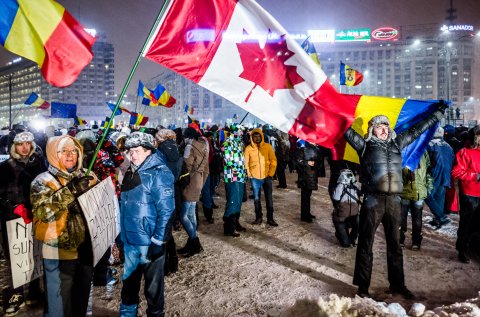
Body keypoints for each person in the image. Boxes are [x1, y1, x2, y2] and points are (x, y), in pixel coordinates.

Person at [343, 104, 445, 299]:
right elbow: (344, 131)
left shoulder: (397, 143)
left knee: (395, 244)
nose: (384, 130)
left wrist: (437, 114)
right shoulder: (364, 146)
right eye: (379, 127)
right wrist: (327, 108)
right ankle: (363, 287)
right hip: (373, 200)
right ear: (372, 129)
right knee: (366, 244)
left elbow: (418, 129)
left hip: (394, 202)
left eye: (386, 127)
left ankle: (398, 285)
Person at [31, 135, 98, 317]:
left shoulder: (88, 175)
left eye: (74, 150)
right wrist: (72, 191)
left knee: (80, 303)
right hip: (59, 252)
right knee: (58, 306)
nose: (70, 155)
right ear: (54, 154)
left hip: (85, 251)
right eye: (64, 151)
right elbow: (42, 212)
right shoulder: (42, 181)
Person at [119, 132, 175, 316]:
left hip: (149, 241)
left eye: (137, 151)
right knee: (129, 284)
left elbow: (167, 211)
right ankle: (127, 313)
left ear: (148, 151)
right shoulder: (131, 171)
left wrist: (158, 241)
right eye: (130, 151)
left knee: (153, 289)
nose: (132, 155)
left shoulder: (159, 173)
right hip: (130, 240)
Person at [0, 131, 46, 315]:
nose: (25, 147)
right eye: (21, 144)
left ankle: (35, 290)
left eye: (28, 143)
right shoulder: (5, 167)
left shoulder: (39, 164)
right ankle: (16, 294)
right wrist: (14, 207)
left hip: (36, 217)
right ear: (14, 147)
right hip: (14, 221)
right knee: (16, 259)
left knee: (35, 254)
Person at [177, 127, 209, 257]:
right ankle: (191, 242)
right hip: (199, 180)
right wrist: (202, 183)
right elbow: (206, 169)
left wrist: (182, 182)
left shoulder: (189, 147)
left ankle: (195, 241)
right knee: (191, 214)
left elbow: (186, 167)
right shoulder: (205, 145)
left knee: (183, 215)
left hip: (190, 182)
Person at [451, 125, 480, 264]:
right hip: (470, 195)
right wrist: (476, 176)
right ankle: (462, 250)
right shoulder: (465, 152)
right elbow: (456, 172)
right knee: (467, 224)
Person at [244, 128, 278, 226]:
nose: (257, 138)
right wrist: (249, 173)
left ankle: (270, 218)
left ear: (262, 136)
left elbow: (273, 160)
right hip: (255, 178)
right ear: (252, 137)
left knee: (269, 199)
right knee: (256, 199)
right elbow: (246, 163)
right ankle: (258, 217)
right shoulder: (248, 148)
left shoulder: (268, 147)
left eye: (259, 136)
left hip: (266, 176)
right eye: (255, 136)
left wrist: (271, 174)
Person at [424, 126, 455, 229]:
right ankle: (437, 220)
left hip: (434, 175)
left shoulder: (429, 144)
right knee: (439, 198)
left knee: (427, 195)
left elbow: (426, 161)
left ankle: (441, 217)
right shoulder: (448, 146)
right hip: (446, 176)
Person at [400, 151, 430, 251]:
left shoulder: (424, 152)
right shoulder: (403, 151)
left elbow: (429, 170)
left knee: (417, 219)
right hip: (404, 192)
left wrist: (428, 186)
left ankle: (416, 242)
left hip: (419, 192)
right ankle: (400, 240)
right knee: (401, 218)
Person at [221, 125, 247, 237]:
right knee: (233, 200)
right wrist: (236, 169)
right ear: (236, 131)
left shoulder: (239, 143)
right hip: (233, 176)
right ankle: (229, 227)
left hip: (241, 176)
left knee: (238, 200)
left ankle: (236, 222)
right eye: (241, 131)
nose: (242, 133)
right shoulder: (228, 143)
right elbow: (228, 160)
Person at [295, 139, 320, 222]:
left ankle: (307, 213)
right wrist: (307, 163)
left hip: (311, 176)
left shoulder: (316, 149)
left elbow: (318, 162)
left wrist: (316, 164)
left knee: (308, 196)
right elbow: (298, 161)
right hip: (304, 177)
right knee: (305, 197)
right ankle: (304, 216)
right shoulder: (303, 149)